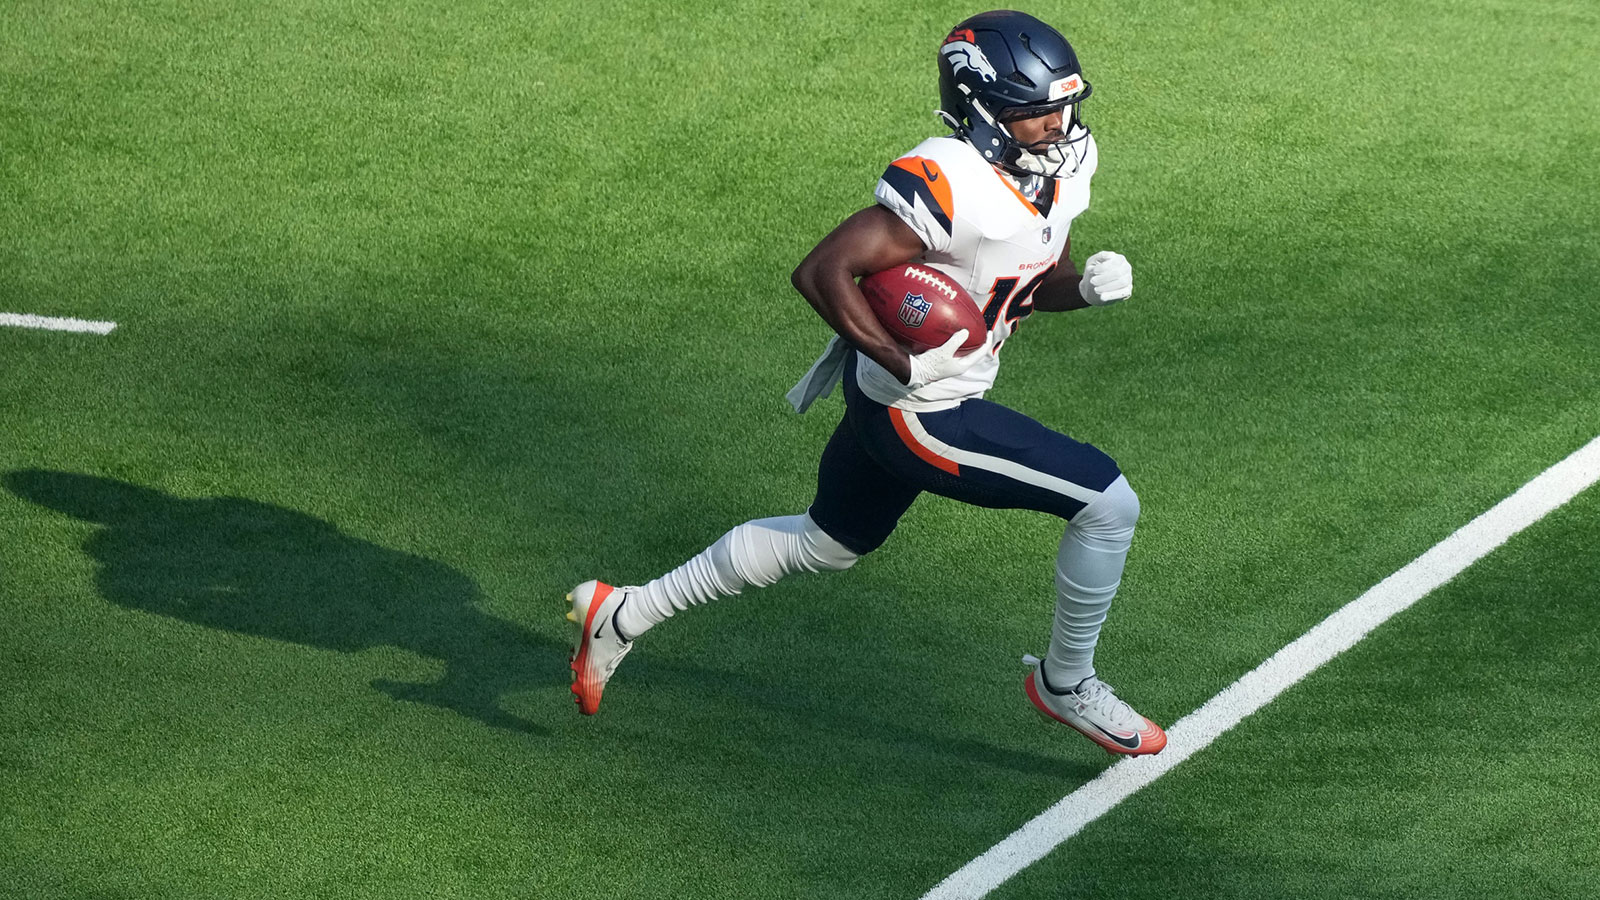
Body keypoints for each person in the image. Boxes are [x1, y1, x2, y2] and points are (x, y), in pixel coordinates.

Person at [566, 10, 1167, 756]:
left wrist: (1085, 292)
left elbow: (1034, 283)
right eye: (1036, 112)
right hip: (920, 410)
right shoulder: (951, 179)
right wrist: (903, 362)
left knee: (830, 542)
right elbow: (824, 270)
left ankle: (623, 612)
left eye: (1064, 107)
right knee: (1107, 503)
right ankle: (1065, 682)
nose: (1059, 125)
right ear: (983, 112)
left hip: (919, 389)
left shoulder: (1060, 166)